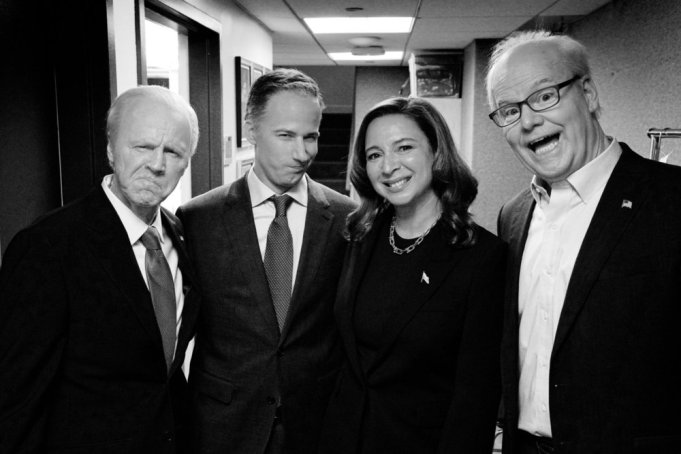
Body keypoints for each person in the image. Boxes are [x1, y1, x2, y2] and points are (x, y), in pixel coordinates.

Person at [487, 30, 681, 454]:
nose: (529, 121)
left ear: (588, 93)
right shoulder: (513, 215)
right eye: (509, 110)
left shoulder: (670, 200)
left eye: (544, 97)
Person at [0, 85, 200, 453]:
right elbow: (16, 397)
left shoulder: (183, 236)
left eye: (173, 152)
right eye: (142, 147)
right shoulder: (48, 247)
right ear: (111, 149)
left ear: (186, 163)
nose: (156, 164)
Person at [177, 68, 356, 453]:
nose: (302, 152)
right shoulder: (198, 219)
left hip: (317, 424)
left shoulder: (347, 219)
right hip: (224, 426)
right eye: (286, 135)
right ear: (251, 130)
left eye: (311, 137)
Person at [318, 97, 506, 454]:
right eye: (374, 155)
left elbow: (475, 395)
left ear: (436, 152)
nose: (388, 166)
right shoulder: (358, 237)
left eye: (404, 147)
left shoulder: (481, 257)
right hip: (343, 438)